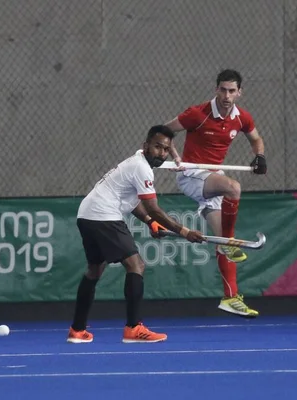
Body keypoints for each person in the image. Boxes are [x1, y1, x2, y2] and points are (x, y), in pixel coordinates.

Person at [67, 125, 205, 343]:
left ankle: (77, 330)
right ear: (146, 146)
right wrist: (185, 231)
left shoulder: (135, 162)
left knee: (95, 269)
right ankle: (133, 328)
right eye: (157, 146)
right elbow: (153, 208)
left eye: (165, 149)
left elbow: (133, 203)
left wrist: (150, 223)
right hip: (104, 215)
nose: (161, 152)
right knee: (136, 265)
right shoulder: (142, 168)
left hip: (86, 214)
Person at [164, 69, 267, 318]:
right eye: (223, 89)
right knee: (234, 187)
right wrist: (176, 157)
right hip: (191, 175)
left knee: (221, 239)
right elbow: (162, 131)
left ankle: (230, 297)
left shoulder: (242, 118)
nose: (227, 95)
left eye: (232, 91)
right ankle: (229, 245)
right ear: (216, 89)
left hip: (213, 178)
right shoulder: (197, 114)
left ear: (239, 93)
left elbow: (256, 139)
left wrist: (260, 156)